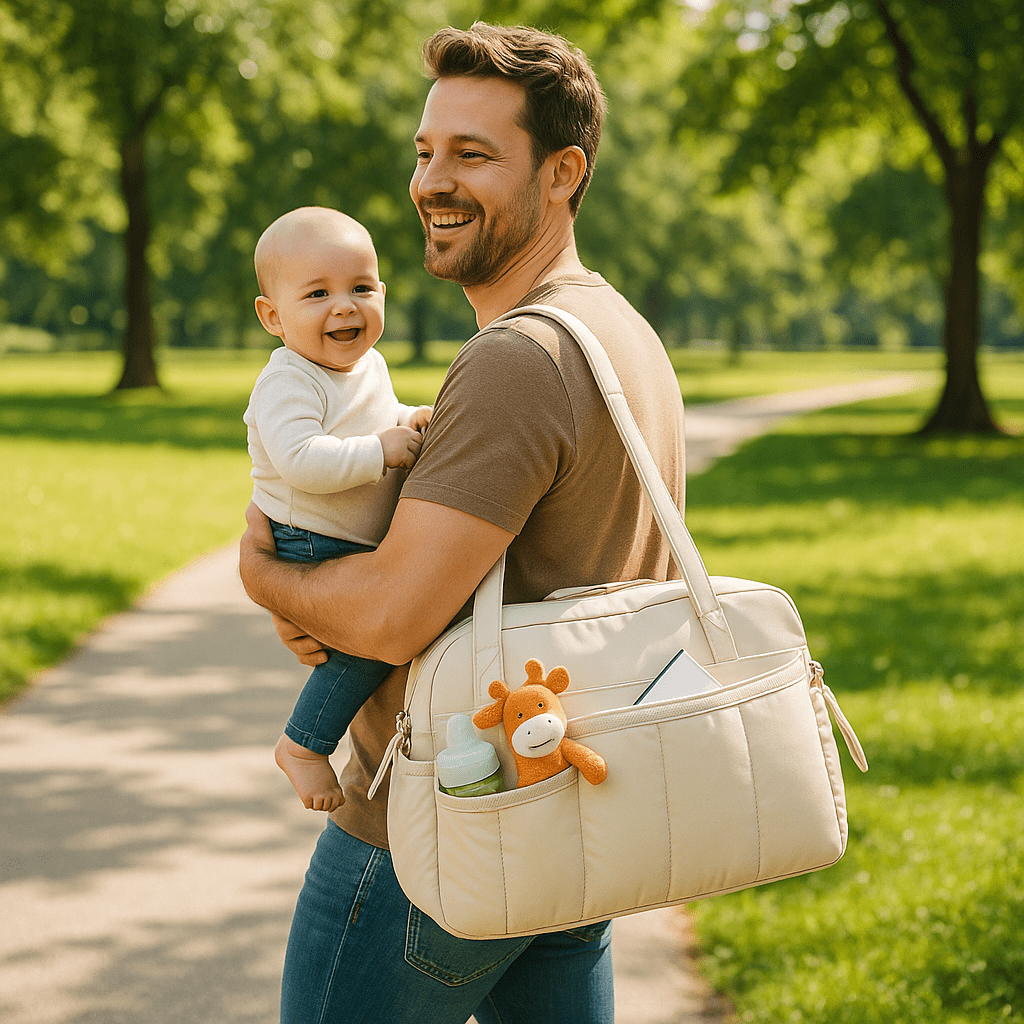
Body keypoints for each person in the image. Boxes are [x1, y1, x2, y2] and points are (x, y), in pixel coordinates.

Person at [239, 22, 686, 1024]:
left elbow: (394, 616)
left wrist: (265, 574)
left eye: (472, 155)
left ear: (562, 173)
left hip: (439, 829)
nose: (432, 181)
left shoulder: (517, 358)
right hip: (568, 817)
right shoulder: (616, 328)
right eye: (425, 151)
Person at [244, 206, 432, 812]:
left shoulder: (366, 365)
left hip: (347, 536)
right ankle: (304, 743)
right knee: (367, 645)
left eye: (360, 287)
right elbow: (302, 458)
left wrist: (407, 422)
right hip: (312, 536)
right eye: (317, 293)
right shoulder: (289, 381)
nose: (344, 306)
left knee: (372, 640)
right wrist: (382, 451)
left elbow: (378, 421)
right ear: (272, 316)